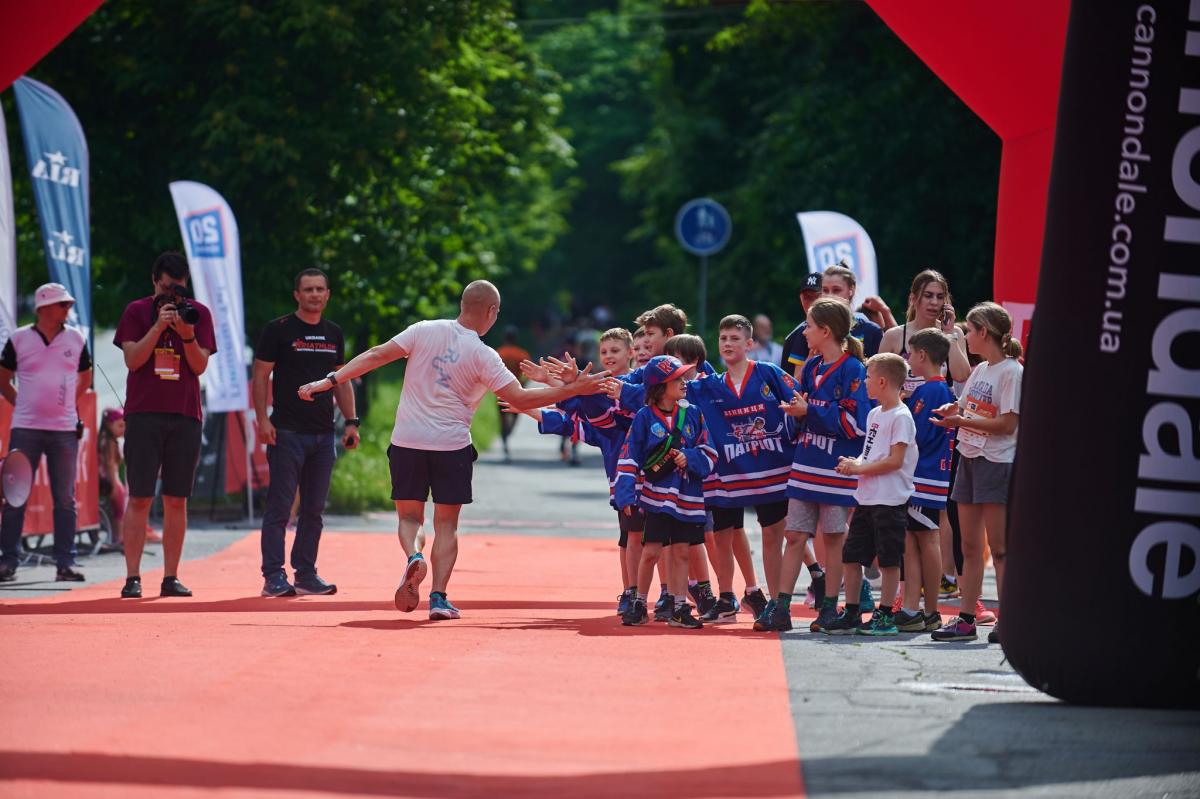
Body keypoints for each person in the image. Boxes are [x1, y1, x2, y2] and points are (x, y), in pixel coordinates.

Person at [297, 280, 610, 620]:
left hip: (407, 441)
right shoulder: (484, 355)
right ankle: (439, 598)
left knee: (409, 517)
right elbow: (519, 398)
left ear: (463, 304)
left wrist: (329, 381)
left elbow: (376, 356)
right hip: (451, 446)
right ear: (491, 312)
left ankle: (414, 556)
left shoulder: (423, 330)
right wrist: (572, 390)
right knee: (446, 524)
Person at [507, 328, 640, 614]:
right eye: (604, 352)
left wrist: (566, 385)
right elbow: (577, 423)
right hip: (623, 480)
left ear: (631, 353)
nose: (609, 357)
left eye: (615, 351)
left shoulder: (637, 385)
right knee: (629, 537)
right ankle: (632, 593)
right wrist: (534, 401)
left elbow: (600, 414)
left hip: (656, 475)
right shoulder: (597, 388)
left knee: (664, 541)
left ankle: (674, 592)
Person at [757, 297, 870, 634]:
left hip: (835, 468)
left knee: (834, 538)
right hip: (806, 464)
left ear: (826, 330)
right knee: (794, 535)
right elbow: (801, 411)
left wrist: (810, 412)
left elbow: (856, 423)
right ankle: (780, 607)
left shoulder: (854, 369)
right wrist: (792, 414)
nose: (804, 332)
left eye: (808, 326)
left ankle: (830, 608)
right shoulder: (811, 367)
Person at [114, 252, 216, 599]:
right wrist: (158, 326)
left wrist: (186, 334)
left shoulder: (197, 313)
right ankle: (132, 577)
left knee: (177, 499)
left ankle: (171, 576)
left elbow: (200, 367)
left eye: (180, 289)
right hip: (143, 415)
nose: (175, 297)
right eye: (169, 288)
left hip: (185, 415)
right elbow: (132, 359)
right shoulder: (136, 311)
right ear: (155, 281)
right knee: (140, 497)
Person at [253, 268, 359, 598]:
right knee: (280, 507)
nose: (314, 294)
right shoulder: (279, 330)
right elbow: (260, 377)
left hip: (323, 435)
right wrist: (263, 420)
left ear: (328, 294)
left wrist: (352, 422)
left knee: (314, 509)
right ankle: (273, 576)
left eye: (320, 289)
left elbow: (341, 380)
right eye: (308, 289)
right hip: (286, 431)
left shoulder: (334, 333)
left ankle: (306, 573)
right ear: (297, 295)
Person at [930, 302, 1023, 645]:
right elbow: (965, 406)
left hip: (996, 462)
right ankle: (966, 618)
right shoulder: (982, 368)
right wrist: (950, 411)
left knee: (999, 548)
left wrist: (961, 421)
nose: (966, 336)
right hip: (967, 457)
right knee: (968, 546)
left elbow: (1008, 424)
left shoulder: (1011, 371)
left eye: (969, 330)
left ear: (984, 333)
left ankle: (1008, 620)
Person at [615, 355, 717, 629]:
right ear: (660, 386)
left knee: (682, 552)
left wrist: (690, 457)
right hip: (656, 498)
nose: (685, 382)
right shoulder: (644, 417)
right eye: (678, 379)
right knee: (651, 552)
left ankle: (679, 607)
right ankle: (639, 602)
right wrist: (625, 495)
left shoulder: (694, 413)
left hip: (688, 498)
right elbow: (628, 457)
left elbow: (709, 451)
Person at [0, 283, 92, 582]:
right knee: (16, 496)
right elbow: (3, 379)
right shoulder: (18, 339)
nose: (68, 309)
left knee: (65, 498)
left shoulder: (77, 338)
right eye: (62, 304)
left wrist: (67, 403)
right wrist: (21, 404)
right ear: (44, 308)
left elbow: (85, 376)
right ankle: (8, 562)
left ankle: (65, 563)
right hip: (25, 428)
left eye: (67, 304)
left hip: (64, 430)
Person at [823, 353, 917, 636]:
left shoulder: (901, 416)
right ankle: (852, 612)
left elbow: (895, 461)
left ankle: (885, 615)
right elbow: (872, 454)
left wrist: (859, 468)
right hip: (866, 498)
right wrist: (854, 463)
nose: (864, 382)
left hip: (889, 501)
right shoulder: (875, 413)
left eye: (867, 377)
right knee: (851, 557)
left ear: (882, 381)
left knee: (889, 560)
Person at [892, 329, 956, 633]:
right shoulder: (934, 390)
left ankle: (930, 611)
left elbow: (915, 434)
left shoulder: (933, 391)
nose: (907, 359)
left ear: (921, 355)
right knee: (912, 542)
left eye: (909, 353)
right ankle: (911, 608)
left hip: (924, 478)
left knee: (926, 541)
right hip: (923, 477)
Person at [878, 269, 972, 390]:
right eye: (928, 296)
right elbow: (878, 381)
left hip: (940, 407)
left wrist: (949, 334)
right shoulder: (894, 336)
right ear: (913, 298)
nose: (934, 302)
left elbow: (961, 376)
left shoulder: (954, 333)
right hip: (906, 408)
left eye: (940, 297)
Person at [98, 408, 162, 551]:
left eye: (124, 426)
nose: (123, 429)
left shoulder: (112, 440)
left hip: (114, 480)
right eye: (120, 426)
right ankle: (119, 537)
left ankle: (118, 537)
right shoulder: (109, 442)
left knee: (119, 511)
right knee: (119, 511)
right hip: (113, 481)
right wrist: (115, 484)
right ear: (109, 425)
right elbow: (110, 466)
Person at [494, 326, 531, 463]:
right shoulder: (521, 354)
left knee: (502, 417)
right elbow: (526, 374)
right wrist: (522, 386)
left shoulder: (498, 353)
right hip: (516, 393)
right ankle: (507, 433)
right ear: (515, 338)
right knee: (515, 417)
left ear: (504, 338)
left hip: (500, 391)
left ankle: (504, 440)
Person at [779, 272, 823, 377]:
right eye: (807, 297)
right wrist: (811, 357)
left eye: (816, 296)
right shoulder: (800, 334)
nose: (812, 302)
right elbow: (795, 384)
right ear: (800, 298)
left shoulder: (841, 326)